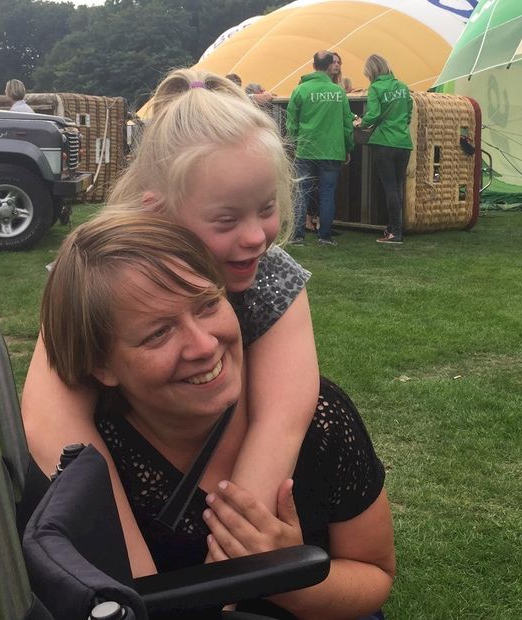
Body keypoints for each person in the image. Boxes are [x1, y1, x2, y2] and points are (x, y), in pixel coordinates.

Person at [21, 69, 320, 578]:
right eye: (226, 221)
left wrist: (224, 580)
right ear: (159, 214)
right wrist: (140, 584)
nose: (256, 237)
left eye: (267, 208)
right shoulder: (92, 278)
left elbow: (282, 420)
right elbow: (55, 426)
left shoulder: (273, 277)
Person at [39, 213, 395, 619]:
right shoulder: (87, 464)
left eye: (208, 304)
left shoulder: (321, 418)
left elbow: (375, 573)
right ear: (101, 366)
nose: (204, 346)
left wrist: (288, 576)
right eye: (159, 332)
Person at [286, 50, 354, 246]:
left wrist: (293, 143)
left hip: (306, 148)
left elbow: (292, 123)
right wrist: (347, 146)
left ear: (314, 65)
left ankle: (297, 236)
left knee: (301, 192)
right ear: (328, 65)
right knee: (327, 193)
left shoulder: (300, 90)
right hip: (332, 150)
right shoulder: (338, 92)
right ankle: (324, 236)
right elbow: (347, 124)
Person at [356, 54, 412, 245]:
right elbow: (409, 112)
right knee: (398, 187)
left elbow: (373, 114)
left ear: (371, 71)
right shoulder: (403, 87)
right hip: (403, 143)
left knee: (389, 188)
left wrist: (360, 123)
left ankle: (395, 232)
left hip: (384, 143)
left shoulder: (376, 88)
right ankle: (396, 228)